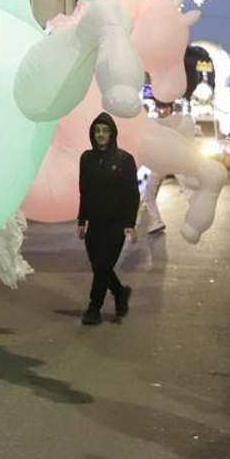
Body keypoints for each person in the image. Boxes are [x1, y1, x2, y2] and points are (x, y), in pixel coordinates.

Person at [76, 112, 138, 326]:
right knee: (100, 267)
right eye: (97, 130)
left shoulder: (125, 160)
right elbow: (83, 191)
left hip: (116, 225)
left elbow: (132, 193)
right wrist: (81, 221)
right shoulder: (86, 158)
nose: (101, 134)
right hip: (94, 225)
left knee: (102, 265)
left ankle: (94, 308)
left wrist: (130, 224)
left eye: (105, 131)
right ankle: (120, 292)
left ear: (112, 134)